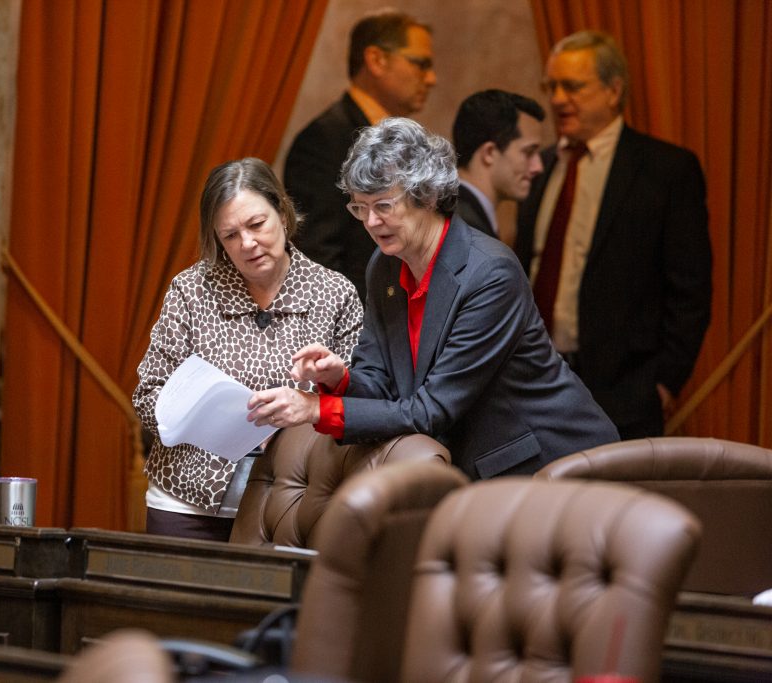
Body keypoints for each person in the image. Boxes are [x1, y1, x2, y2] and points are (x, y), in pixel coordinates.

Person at [246, 118, 618, 480]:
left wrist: (315, 408)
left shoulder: (490, 273)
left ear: (427, 195)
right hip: (479, 467)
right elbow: (384, 384)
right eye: (360, 207)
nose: (371, 222)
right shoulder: (385, 267)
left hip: (553, 464)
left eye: (384, 206)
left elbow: (431, 409)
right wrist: (339, 379)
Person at [133, 158, 364, 541]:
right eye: (230, 236)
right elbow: (147, 395)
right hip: (186, 502)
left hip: (292, 504)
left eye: (257, 225)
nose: (248, 244)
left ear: (283, 214)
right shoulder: (191, 291)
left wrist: (326, 388)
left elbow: (361, 405)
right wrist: (213, 424)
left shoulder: (334, 294)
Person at [515, 30, 712, 439]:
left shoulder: (666, 171)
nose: (557, 99)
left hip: (625, 391)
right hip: (536, 381)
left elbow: (690, 288)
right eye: (550, 86)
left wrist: (663, 383)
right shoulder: (540, 166)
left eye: (572, 86)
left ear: (613, 90)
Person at [284, 9, 435, 302]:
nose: (431, 78)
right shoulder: (324, 141)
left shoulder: (405, 139)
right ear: (377, 60)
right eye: (421, 64)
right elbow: (319, 258)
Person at [451, 89, 545, 242]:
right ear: (489, 153)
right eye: (528, 152)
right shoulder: (466, 231)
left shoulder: (452, 213)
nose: (538, 167)